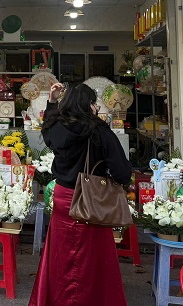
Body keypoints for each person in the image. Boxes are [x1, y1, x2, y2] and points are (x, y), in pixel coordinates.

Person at [29, 82, 132, 306]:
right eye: (94, 103)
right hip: (90, 199)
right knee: (92, 258)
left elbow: (47, 127)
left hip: (63, 197)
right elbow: (122, 172)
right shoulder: (98, 130)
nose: (96, 107)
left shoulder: (57, 128)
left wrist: (52, 101)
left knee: (62, 254)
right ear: (89, 105)